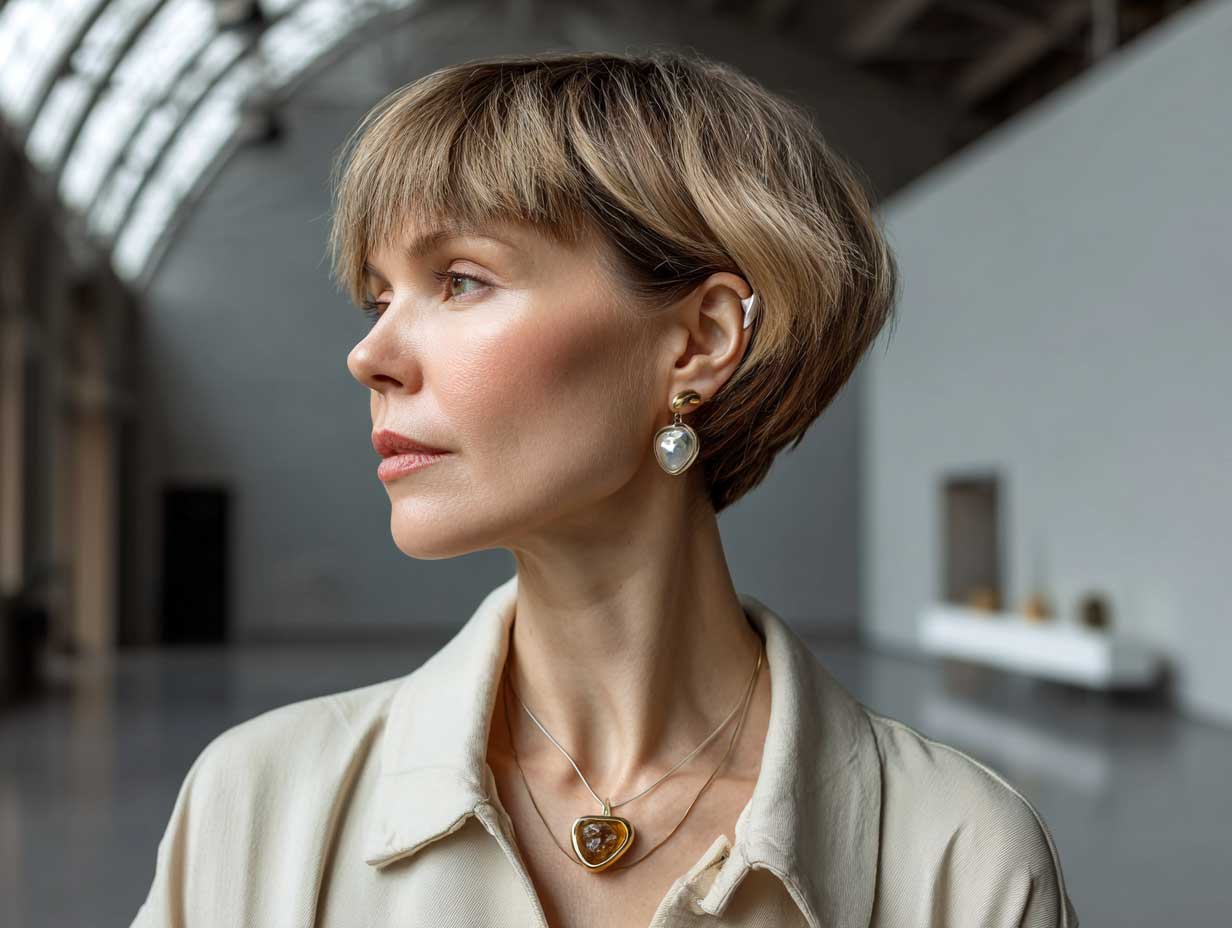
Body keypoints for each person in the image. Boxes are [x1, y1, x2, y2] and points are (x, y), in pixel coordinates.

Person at [131, 49, 1078, 927]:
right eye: (380, 298)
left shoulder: (960, 859)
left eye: (460, 280)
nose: (369, 355)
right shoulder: (255, 808)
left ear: (700, 341)